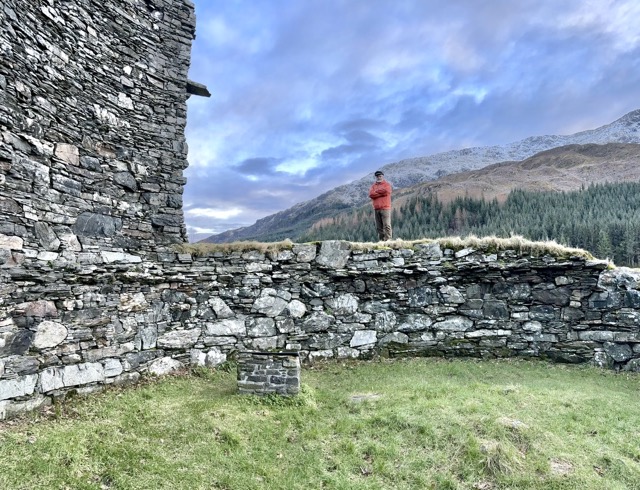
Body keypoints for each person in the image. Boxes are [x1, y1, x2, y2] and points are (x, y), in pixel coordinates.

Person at [368, 170, 392, 241]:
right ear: (376, 177)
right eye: (377, 176)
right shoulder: (373, 186)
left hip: (385, 208)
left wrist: (376, 192)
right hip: (376, 208)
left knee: (387, 225)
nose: (379, 177)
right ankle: (381, 241)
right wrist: (381, 192)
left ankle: (388, 240)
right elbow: (371, 194)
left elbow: (387, 191)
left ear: (382, 176)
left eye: (380, 176)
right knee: (379, 227)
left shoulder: (387, 185)